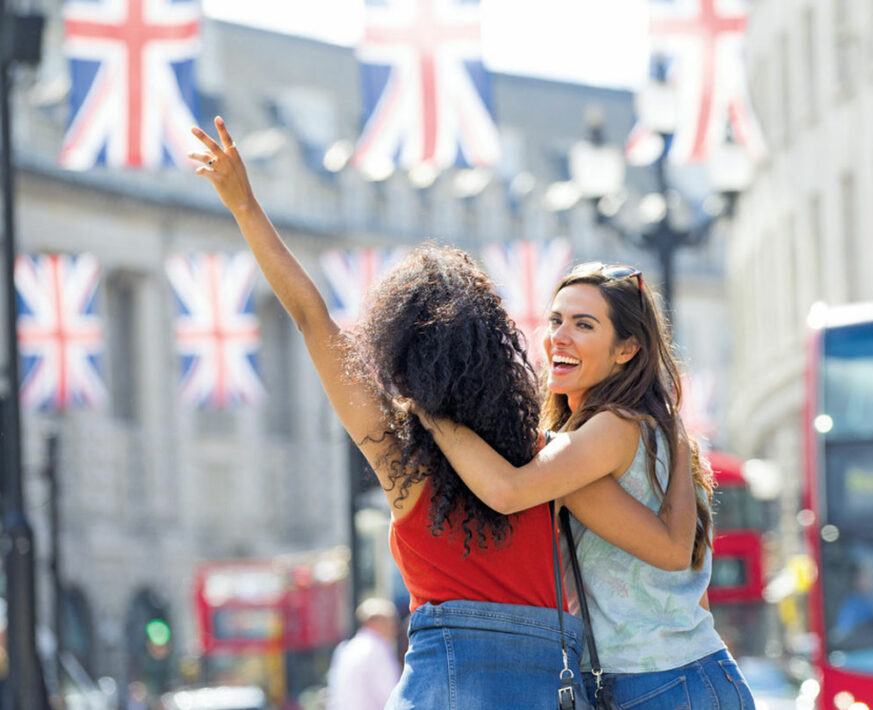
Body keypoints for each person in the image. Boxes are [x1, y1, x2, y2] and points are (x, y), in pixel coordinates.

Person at [190, 117, 698, 709]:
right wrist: (674, 431)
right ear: (497, 356)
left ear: (400, 357)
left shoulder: (401, 458)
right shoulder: (550, 462)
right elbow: (669, 546)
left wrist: (245, 206)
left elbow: (311, 317)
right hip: (548, 688)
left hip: (442, 687)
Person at [416, 262, 756, 707]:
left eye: (583, 324)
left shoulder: (613, 427)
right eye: (556, 320)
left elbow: (507, 491)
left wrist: (429, 414)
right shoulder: (646, 428)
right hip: (674, 679)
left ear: (626, 349)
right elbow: (691, 585)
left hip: (665, 684)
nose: (560, 335)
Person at [326, 598, 401, 710]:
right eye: (389, 620)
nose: (394, 626)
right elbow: (391, 696)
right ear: (373, 621)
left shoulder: (346, 648)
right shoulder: (378, 649)